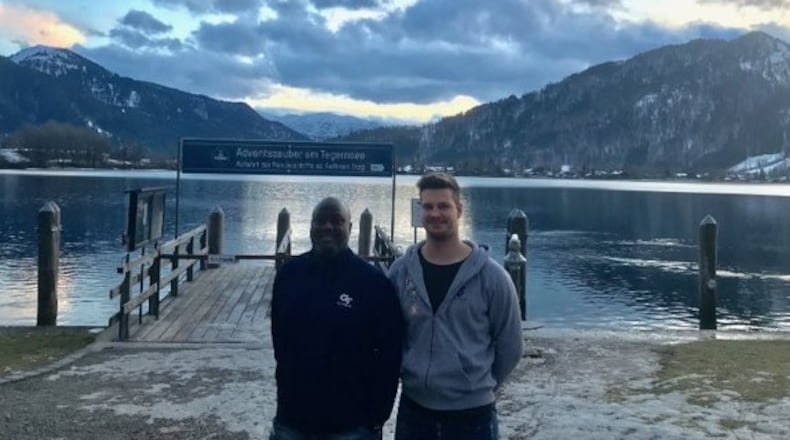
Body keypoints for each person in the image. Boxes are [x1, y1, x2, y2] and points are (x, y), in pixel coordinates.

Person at [387, 172, 523, 440]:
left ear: (459, 210)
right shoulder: (400, 273)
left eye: (443, 205)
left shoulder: (492, 278)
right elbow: (392, 334)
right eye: (428, 206)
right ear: (419, 210)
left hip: (473, 416)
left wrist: (477, 384)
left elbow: (511, 346)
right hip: (414, 411)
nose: (435, 213)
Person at [270, 197, 403, 440]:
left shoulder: (372, 283)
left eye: (337, 221)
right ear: (310, 226)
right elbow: (280, 341)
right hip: (292, 420)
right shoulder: (288, 275)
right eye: (320, 221)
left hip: (353, 425)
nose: (328, 227)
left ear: (350, 228)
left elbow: (390, 355)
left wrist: (377, 417)